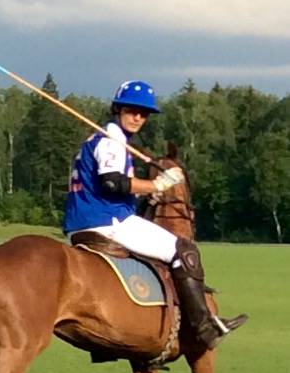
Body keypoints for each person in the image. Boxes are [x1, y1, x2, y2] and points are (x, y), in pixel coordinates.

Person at [63, 80, 243, 348]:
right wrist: (157, 184)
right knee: (185, 251)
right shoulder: (112, 140)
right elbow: (112, 181)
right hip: (107, 221)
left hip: (84, 221)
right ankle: (205, 327)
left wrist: (145, 193)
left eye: (144, 113)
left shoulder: (101, 139)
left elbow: (113, 187)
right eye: (131, 110)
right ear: (117, 109)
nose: (138, 117)